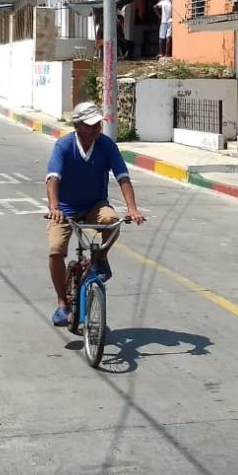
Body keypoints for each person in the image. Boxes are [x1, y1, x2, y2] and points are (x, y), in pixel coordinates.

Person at [44, 102, 146, 327]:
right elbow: (53, 179)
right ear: (78, 125)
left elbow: (122, 177)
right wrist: (54, 208)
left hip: (95, 205)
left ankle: (100, 259)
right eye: (90, 125)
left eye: (98, 125)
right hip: (66, 208)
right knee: (55, 250)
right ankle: (62, 304)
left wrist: (132, 208)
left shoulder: (106, 145)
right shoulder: (64, 146)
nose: (95, 129)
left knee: (111, 221)